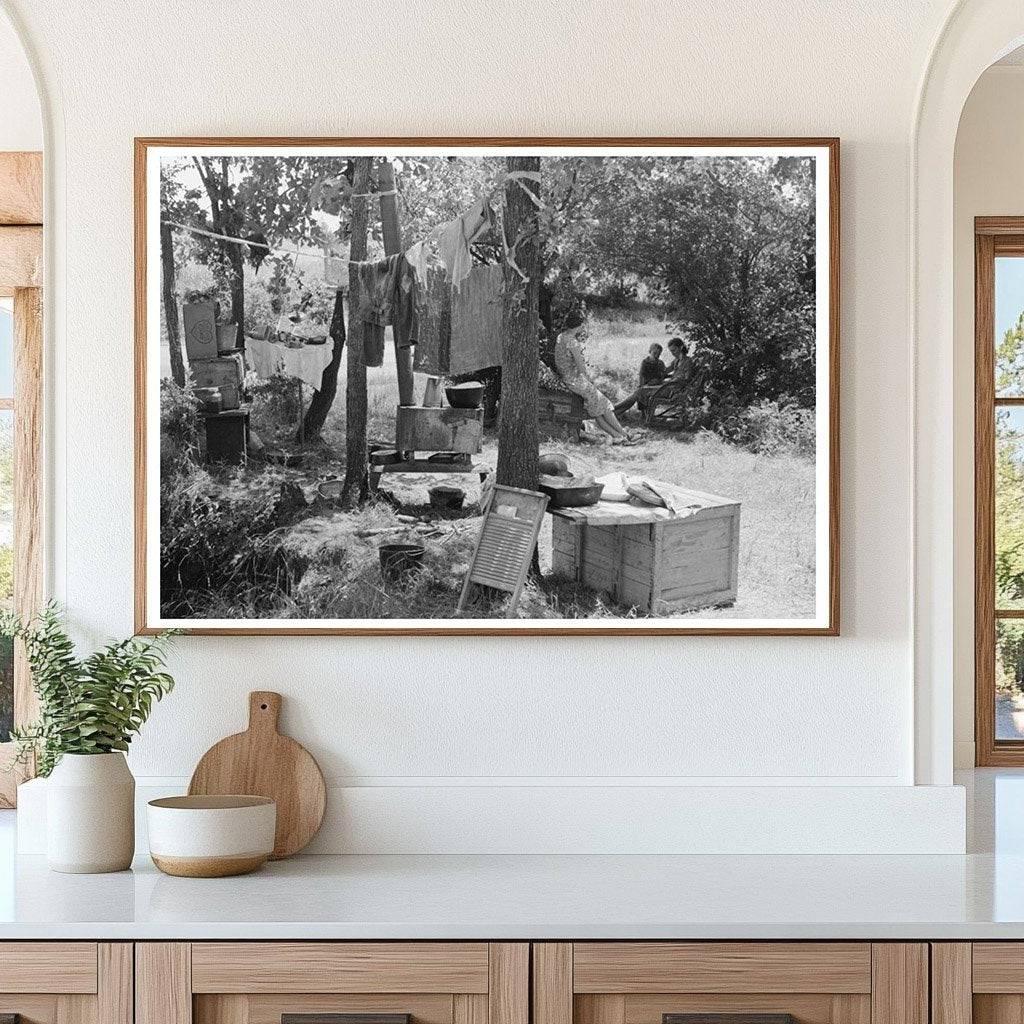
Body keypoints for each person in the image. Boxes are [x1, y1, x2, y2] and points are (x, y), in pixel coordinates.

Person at [553, 310, 637, 444]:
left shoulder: (561, 337)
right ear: (580, 325)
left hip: (567, 378)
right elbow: (582, 369)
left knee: (598, 408)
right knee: (604, 403)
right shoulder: (573, 343)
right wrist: (590, 382)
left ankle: (620, 436)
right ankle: (623, 435)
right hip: (574, 380)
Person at [613, 342, 668, 416]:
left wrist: (658, 380)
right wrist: (641, 384)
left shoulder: (660, 363)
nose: (656, 356)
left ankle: (616, 410)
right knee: (638, 395)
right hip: (645, 384)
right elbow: (641, 374)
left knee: (637, 395)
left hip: (655, 386)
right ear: (650, 351)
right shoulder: (645, 362)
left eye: (658, 354)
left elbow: (663, 375)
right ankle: (617, 409)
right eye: (654, 353)